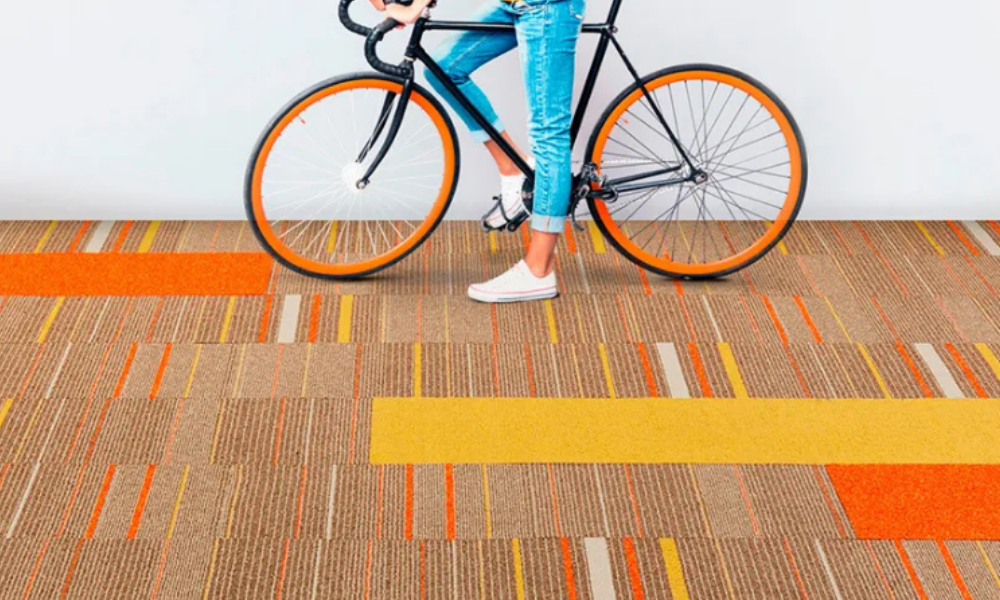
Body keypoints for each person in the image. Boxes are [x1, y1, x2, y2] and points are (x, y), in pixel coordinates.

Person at [368, 0, 585, 303]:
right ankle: (513, 169)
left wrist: (415, 6)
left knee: (549, 131)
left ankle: (540, 270)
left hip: (547, 7)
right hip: (515, 4)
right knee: (444, 68)